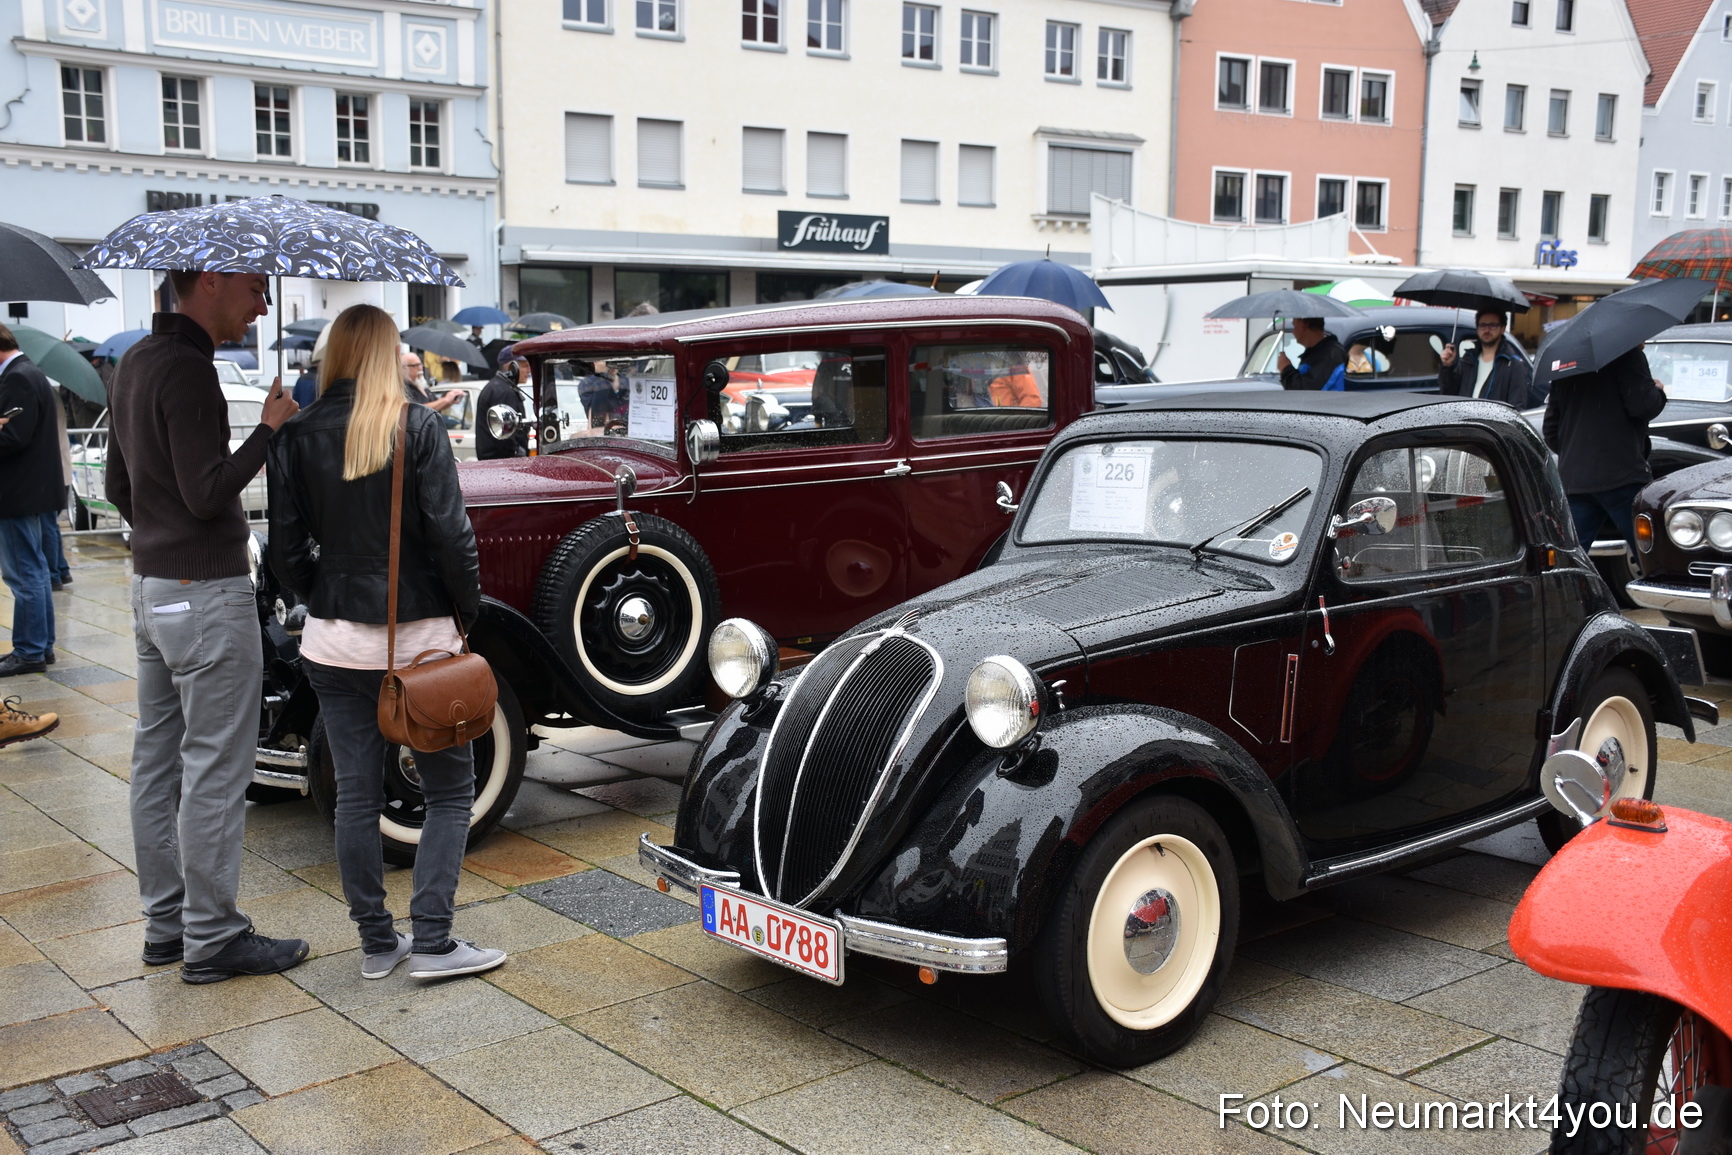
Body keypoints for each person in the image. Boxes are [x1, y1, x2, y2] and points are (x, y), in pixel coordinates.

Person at [266, 304, 505, 981]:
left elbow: (284, 552)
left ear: (336, 355)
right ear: (386, 354)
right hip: (419, 639)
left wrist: (329, 593)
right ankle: (433, 941)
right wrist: (467, 609)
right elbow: (452, 536)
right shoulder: (417, 425)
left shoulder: (296, 433)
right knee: (451, 789)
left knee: (355, 795)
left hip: (334, 644)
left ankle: (378, 943)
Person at [107, 269, 309, 983]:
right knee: (218, 767)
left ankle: (166, 926)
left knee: (157, 759)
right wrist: (268, 428)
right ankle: (215, 934)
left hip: (151, 587)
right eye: (254, 289)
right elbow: (207, 493)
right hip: (203, 592)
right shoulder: (191, 373)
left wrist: (159, 541)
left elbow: (116, 489)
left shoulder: (133, 360)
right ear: (212, 283)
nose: (261, 303)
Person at [1542, 344, 1668, 552]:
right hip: (1622, 473)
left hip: (1576, 478)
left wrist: (1576, 453)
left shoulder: (1568, 363)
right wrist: (1658, 393)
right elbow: (1643, 406)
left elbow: (1551, 430)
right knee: (1650, 553)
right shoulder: (1628, 355)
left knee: (1572, 554)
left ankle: (1563, 585)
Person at [0, 326, 62, 677]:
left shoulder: (18, 378)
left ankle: (29, 650)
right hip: (29, 491)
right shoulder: (28, 373)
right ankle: (41, 646)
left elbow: (12, 436)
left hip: (17, 492)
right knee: (34, 572)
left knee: (24, 574)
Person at [1438, 311, 1535, 407]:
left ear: (1502, 328)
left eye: (1492, 325)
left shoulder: (1513, 365)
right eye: (1482, 325)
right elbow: (1448, 396)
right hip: (1466, 420)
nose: (1487, 330)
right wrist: (1447, 367)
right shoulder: (1468, 359)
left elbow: (1517, 407)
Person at [475, 348, 530, 459]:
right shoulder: (503, 391)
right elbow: (506, 433)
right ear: (511, 367)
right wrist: (518, 455)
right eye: (525, 366)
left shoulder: (498, 387)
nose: (529, 371)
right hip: (502, 461)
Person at [1277, 318, 1347, 391]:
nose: (1293, 332)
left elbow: (1307, 391)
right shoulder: (1315, 353)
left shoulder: (1330, 355)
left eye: (1294, 326)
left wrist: (1286, 369)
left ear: (1303, 326)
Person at [400, 349, 461, 414]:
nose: (420, 368)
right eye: (415, 365)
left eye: (420, 364)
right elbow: (418, 410)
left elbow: (437, 404)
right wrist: (446, 400)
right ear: (404, 368)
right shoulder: (404, 389)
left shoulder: (422, 386)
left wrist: (451, 400)